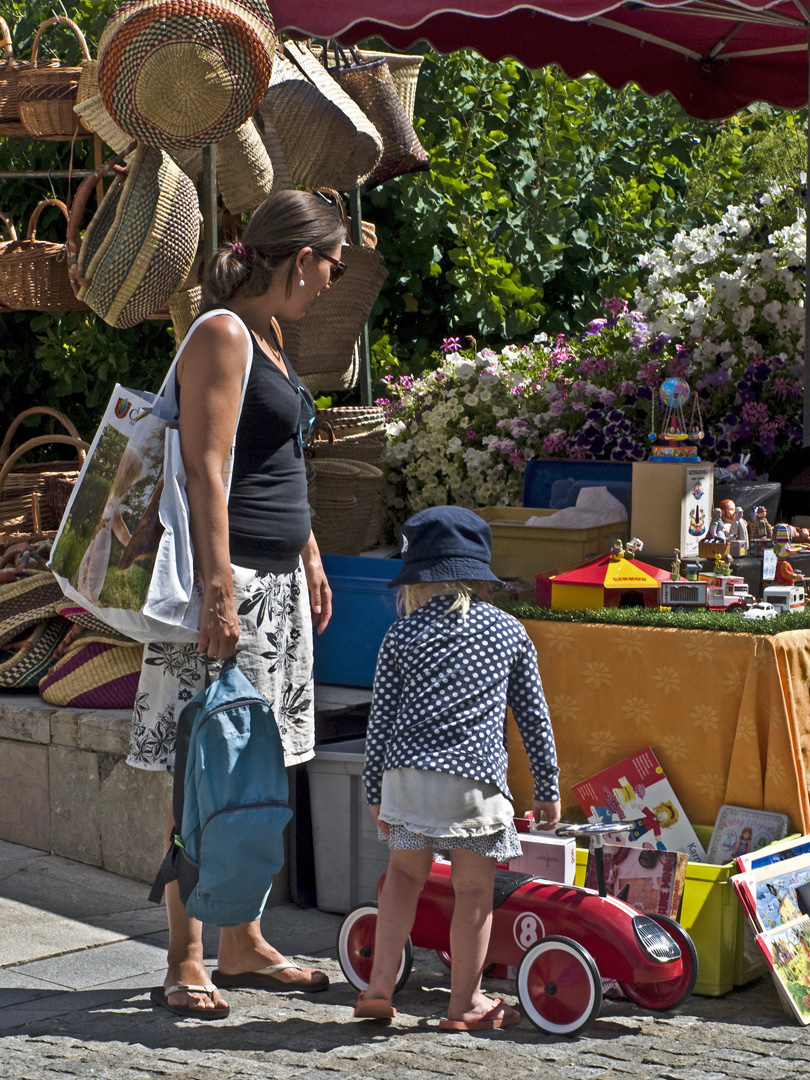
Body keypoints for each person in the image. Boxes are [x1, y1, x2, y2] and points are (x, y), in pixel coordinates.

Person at [127, 189, 348, 1019]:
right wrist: (218, 591)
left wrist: (311, 552)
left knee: (254, 767)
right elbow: (206, 468)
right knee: (205, 773)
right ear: (299, 259)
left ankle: (242, 942)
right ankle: (186, 956)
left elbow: (279, 459)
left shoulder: (270, 337)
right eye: (331, 261)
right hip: (231, 589)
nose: (333, 278)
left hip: (275, 582)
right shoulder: (221, 333)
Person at [355, 505, 561, 1029]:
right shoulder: (510, 632)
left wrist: (374, 790)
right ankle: (464, 1003)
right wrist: (547, 787)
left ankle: (378, 987)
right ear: (479, 573)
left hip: (407, 776)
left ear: (417, 579)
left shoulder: (401, 635)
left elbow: (380, 718)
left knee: (403, 876)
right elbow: (533, 716)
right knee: (472, 890)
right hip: (475, 780)